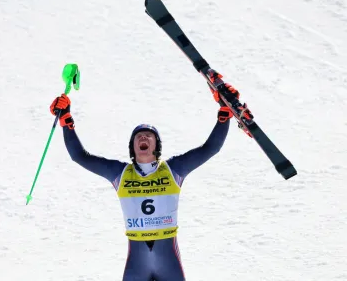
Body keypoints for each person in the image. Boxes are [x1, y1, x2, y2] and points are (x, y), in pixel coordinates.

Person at [50, 80, 241, 281]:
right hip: (137, 261)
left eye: (149, 136)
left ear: (156, 145)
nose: (143, 138)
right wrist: (66, 121)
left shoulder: (173, 169)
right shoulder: (120, 173)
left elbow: (210, 148)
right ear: (132, 147)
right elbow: (80, 156)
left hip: (168, 260)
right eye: (139, 136)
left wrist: (223, 116)